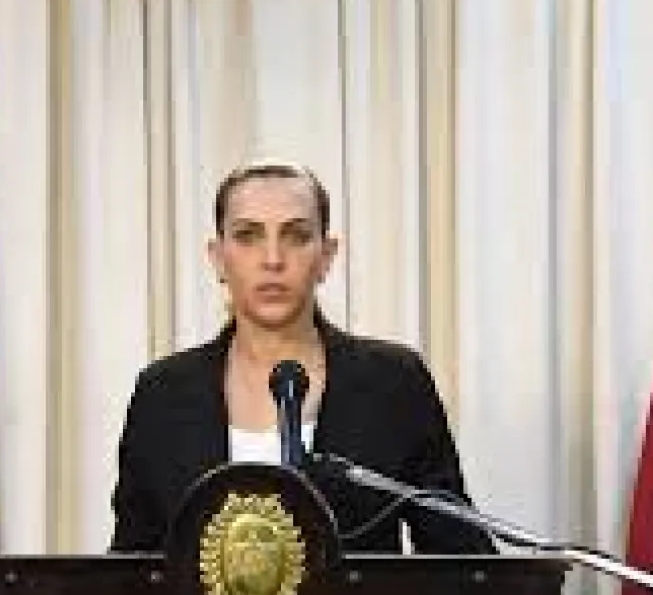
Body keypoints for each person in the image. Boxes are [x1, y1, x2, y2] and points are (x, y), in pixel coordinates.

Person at [110, 160, 494, 554]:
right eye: (248, 236)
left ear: (326, 256)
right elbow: (127, 569)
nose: (273, 259)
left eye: (296, 236)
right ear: (218, 258)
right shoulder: (163, 394)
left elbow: (463, 557)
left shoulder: (392, 383)